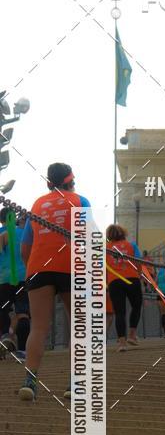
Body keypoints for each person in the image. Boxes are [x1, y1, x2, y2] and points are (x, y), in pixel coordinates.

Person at [18, 162, 92, 401]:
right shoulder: (80, 201)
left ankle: (30, 381)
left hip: (39, 267)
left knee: (38, 327)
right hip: (72, 266)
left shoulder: (38, 204)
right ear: (71, 180)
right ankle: (75, 384)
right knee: (77, 326)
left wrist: (34, 268)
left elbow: (25, 247)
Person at [105, 225, 143, 353]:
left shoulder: (106, 248)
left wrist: (107, 283)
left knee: (119, 312)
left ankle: (122, 343)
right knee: (136, 306)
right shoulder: (131, 245)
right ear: (123, 233)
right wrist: (139, 275)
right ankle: (132, 334)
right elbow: (138, 262)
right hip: (132, 278)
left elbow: (103, 267)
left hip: (114, 281)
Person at [0, 209, 30, 359]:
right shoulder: (24, 234)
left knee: (3, 310)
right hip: (24, 278)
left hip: (4, 279)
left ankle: (5, 335)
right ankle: (23, 351)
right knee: (22, 312)